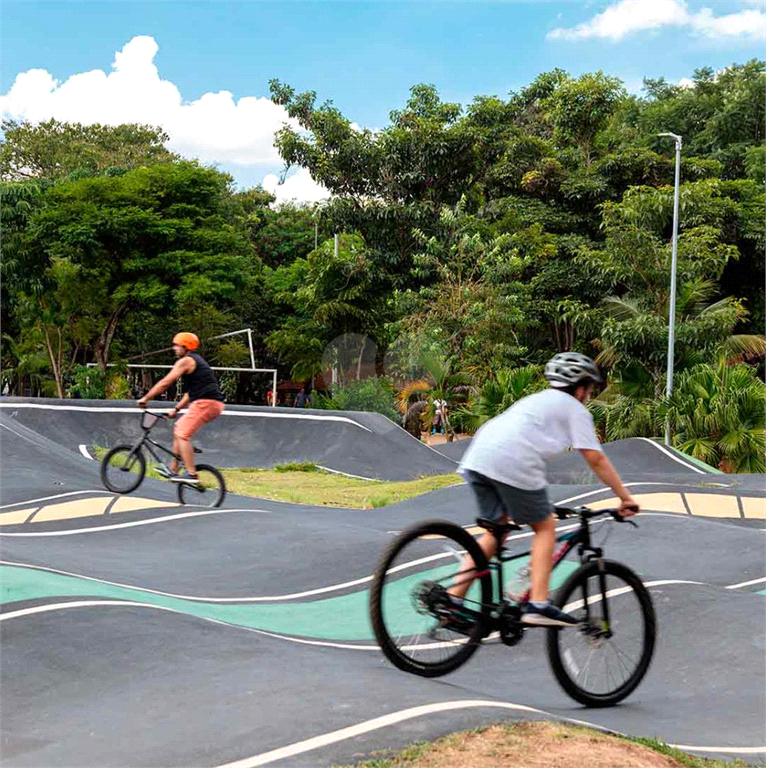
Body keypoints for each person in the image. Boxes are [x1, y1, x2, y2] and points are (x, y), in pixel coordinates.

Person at [448, 352, 638, 627]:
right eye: (590, 389)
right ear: (582, 388)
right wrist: (625, 497)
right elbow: (595, 457)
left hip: (479, 456)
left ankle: (453, 600)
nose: (589, 395)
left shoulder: (536, 400)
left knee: (496, 529)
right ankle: (538, 603)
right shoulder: (575, 409)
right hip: (513, 460)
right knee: (545, 527)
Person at [136, 332, 225, 484]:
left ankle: (191, 474)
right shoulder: (196, 362)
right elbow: (191, 393)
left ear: (185, 346)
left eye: (177, 345)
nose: (174, 348)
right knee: (178, 427)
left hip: (206, 403)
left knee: (182, 433)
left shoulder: (186, 361)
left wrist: (146, 398)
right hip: (208, 403)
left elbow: (166, 382)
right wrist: (176, 409)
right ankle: (174, 469)